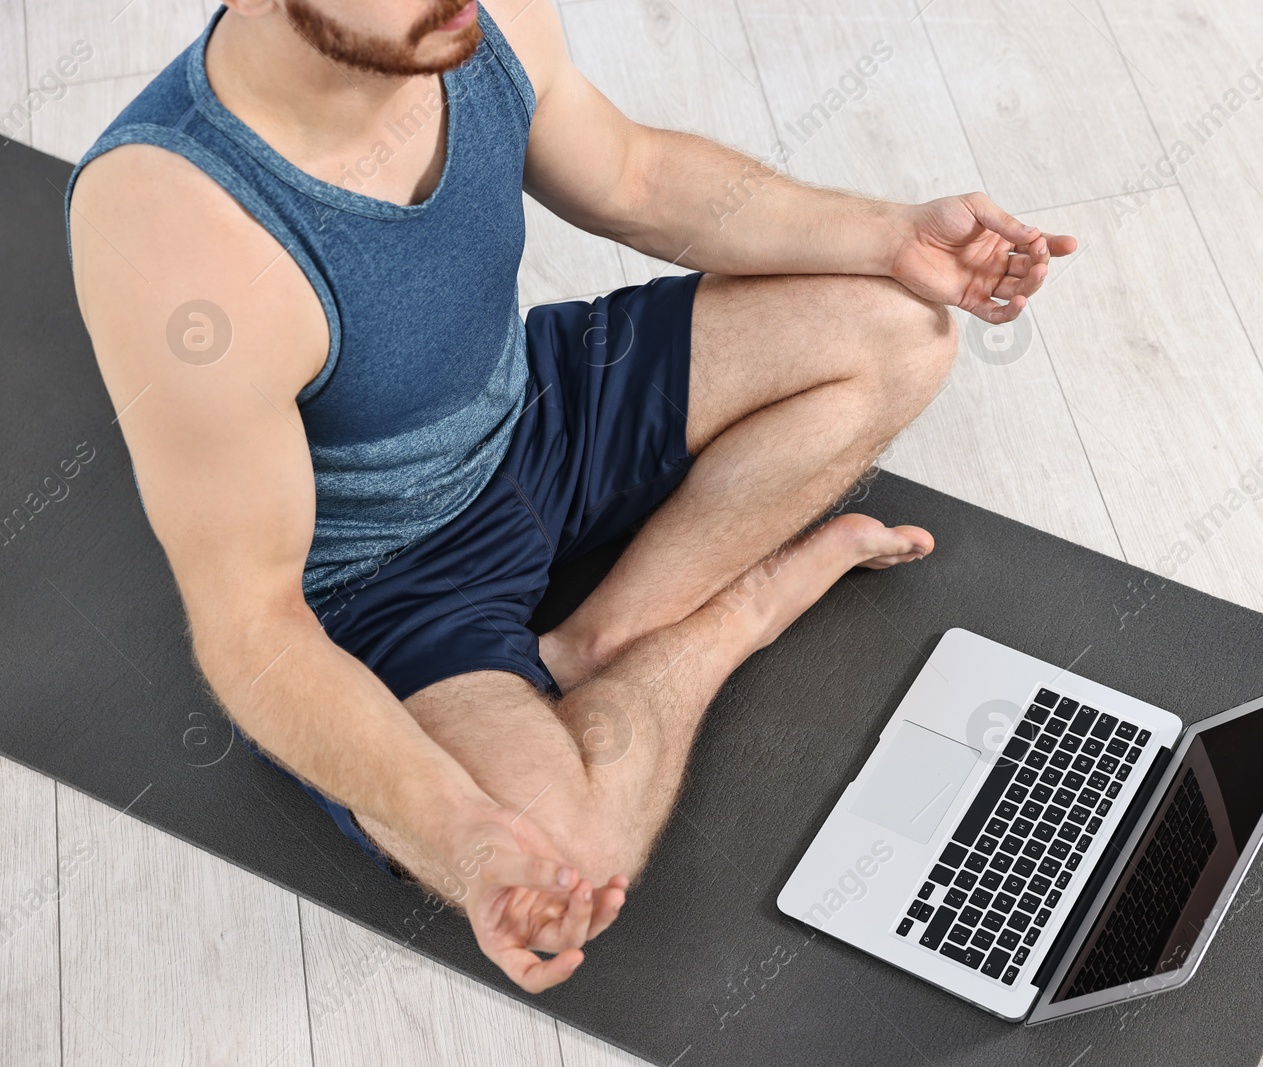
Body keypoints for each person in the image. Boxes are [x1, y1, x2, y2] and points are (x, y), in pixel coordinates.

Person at [66, 0, 1076, 994]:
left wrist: (893, 233)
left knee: (902, 324)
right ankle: (731, 616)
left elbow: (630, 173)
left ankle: (600, 639)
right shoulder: (173, 226)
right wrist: (468, 834)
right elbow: (253, 626)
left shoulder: (469, 19)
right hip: (388, 582)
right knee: (573, 853)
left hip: (536, 407)